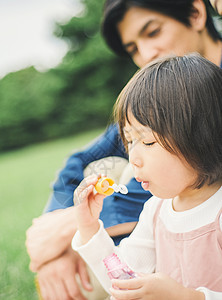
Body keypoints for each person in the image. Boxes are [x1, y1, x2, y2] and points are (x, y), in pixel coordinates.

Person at [25, 1, 222, 299]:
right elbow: (122, 275)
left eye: (153, 32)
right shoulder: (157, 209)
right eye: (132, 48)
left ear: (197, 13)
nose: (145, 55)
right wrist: (84, 227)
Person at [72, 53, 222, 300]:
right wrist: (89, 228)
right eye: (130, 141)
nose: (134, 158)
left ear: (202, 135)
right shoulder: (156, 211)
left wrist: (188, 297)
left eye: (148, 141)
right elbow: (124, 282)